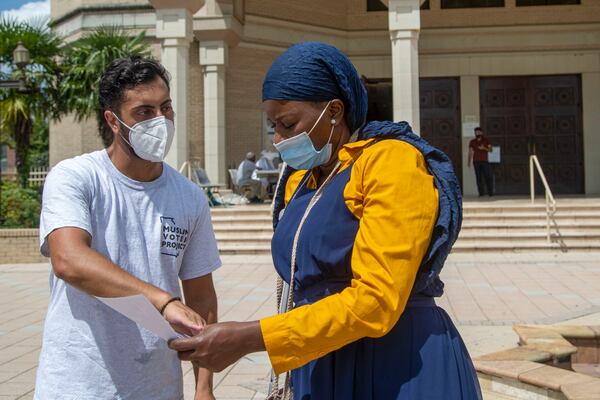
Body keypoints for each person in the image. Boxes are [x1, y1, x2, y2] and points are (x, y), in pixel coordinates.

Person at [170, 42, 481, 399]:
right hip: (320, 356)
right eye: (273, 125)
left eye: (288, 124)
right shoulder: (305, 180)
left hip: (396, 362)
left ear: (335, 110)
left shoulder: (389, 162)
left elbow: (376, 301)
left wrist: (252, 337)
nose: (278, 139)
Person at [35, 56, 221, 400]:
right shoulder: (76, 177)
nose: (161, 121)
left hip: (158, 386)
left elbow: (201, 296)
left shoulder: (190, 197)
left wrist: (204, 386)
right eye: (144, 112)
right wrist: (162, 302)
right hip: (79, 385)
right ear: (114, 121)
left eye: (166, 108)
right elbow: (69, 260)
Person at [468, 127, 494, 197]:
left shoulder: (486, 140)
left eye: (479, 132)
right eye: (476, 132)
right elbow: (470, 152)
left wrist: (484, 148)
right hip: (476, 161)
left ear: (481, 133)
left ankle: (490, 193)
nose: (477, 133)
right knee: (478, 178)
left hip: (484, 161)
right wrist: (469, 162)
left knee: (487, 177)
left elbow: (491, 150)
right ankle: (481, 193)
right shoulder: (472, 142)